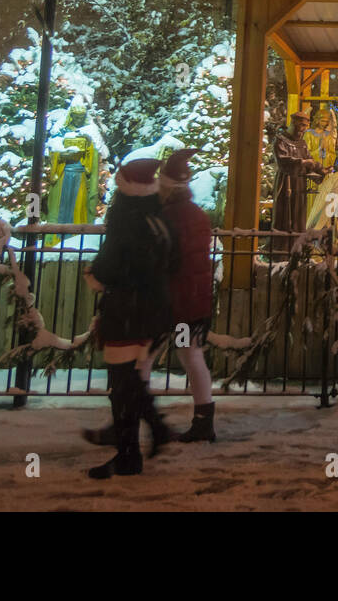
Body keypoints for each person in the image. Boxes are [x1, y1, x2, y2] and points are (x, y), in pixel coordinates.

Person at [82, 158, 173, 479]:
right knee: (130, 381)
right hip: (150, 311)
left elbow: (110, 266)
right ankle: (148, 435)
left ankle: (130, 452)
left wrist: (94, 275)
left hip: (125, 311)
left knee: (122, 386)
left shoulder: (127, 223)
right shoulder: (156, 220)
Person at [156, 148, 217, 443]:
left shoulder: (167, 216)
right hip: (192, 302)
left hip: (173, 304)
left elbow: (166, 259)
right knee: (190, 354)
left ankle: (133, 416)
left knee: (147, 356)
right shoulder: (196, 215)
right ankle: (204, 418)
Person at [272, 110, 326, 231]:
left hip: (300, 183)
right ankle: (283, 245)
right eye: (301, 125)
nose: (303, 129)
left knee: (298, 215)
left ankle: (298, 243)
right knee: (286, 214)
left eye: (305, 126)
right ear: (293, 123)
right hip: (286, 182)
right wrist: (302, 162)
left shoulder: (302, 143)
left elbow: (309, 160)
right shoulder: (281, 140)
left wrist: (321, 170)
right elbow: (282, 160)